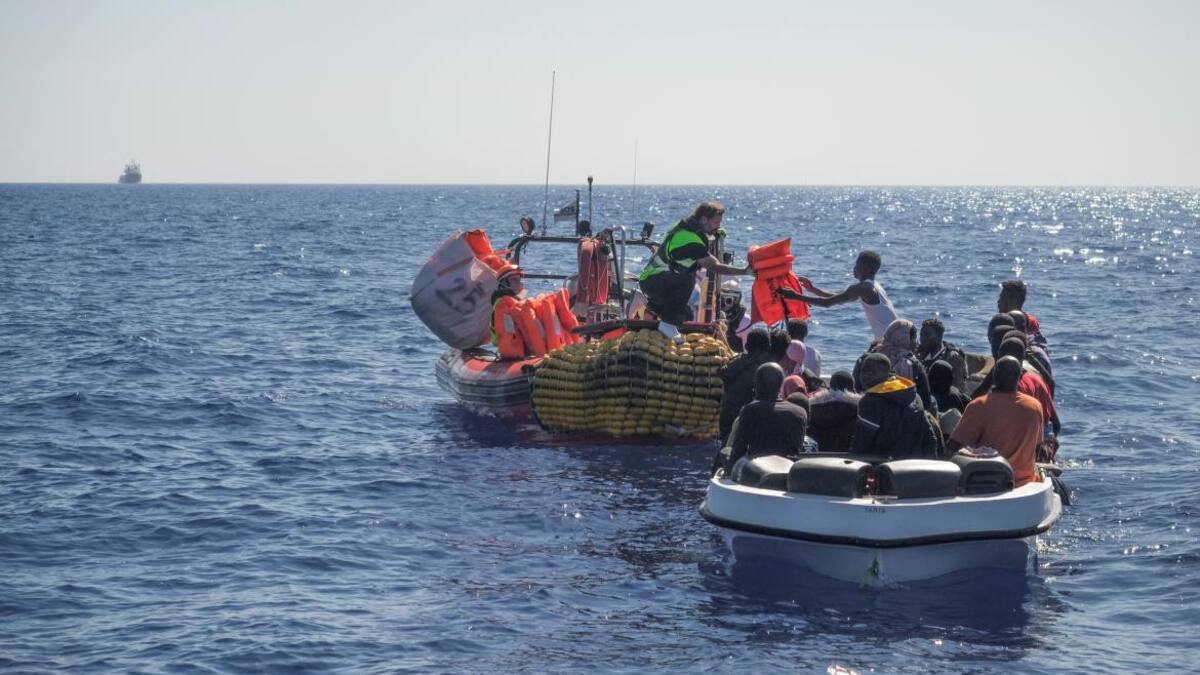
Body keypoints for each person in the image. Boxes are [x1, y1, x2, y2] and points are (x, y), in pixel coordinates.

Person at [638, 201, 751, 341]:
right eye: (716, 222)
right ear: (703, 219)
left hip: (653, 279)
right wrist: (745, 271)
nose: (719, 226)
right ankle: (667, 324)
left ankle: (658, 315)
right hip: (653, 281)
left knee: (686, 314)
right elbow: (714, 266)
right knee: (687, 278)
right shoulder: (690, 241)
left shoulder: (686, 228)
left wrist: (713, 234)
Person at [948, 356, 1043, 487]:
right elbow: (1036, 448)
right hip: (1025, 483)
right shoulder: (1035, 406)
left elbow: (953, 446)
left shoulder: (979, 405)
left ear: (994, 376)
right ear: (1019, 378)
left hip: (987, 485)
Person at [778, 250, 898, 340]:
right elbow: (837, 298)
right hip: (895, 335)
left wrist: (795, 296)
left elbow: (827, 303)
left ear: (865, 268)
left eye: (857, 265)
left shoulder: (864, 288)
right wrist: (812, 289)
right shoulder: (872, 286)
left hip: (892, 340)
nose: (854, 268)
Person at [722, 363, 809, 472]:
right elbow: (797, 449)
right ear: (780, 385)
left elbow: (739, 449)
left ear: (757, 385)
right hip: (787, 473)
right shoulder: (800, 412)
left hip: (756, 472)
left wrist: (728, 471)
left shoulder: (750, 410)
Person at [851, 353, 939, 458]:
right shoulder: (914, 396)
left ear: (886, 373)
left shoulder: (870, 402)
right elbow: (930, 439)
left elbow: (861, 444)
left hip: (882, 468)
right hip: (912, 466)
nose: (865, 376)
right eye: (863, 371)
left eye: (871, 372)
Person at [718, 327, 771, 444]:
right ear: (767, 349)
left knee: (725, 444)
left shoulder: (735, 361)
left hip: (726, 415)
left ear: (746, 346)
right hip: (745, 418)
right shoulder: (762, 370)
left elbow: (722, 372)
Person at [807, 370, 861, 452]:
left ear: (829, 388)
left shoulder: (811, 408)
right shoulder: (861, 409)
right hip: (850, 460)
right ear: (853, 390)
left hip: (816, 458)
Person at [917, 317, 968, 392]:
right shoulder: (922, 354)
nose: (922, 338)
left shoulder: (953, 358)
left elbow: (959, 388)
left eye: (927, 335)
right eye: (921, 335)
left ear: (939, 337)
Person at [998, 279, 1049, 352]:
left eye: (1002, 298)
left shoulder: (1030, 321)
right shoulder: (1001, 320)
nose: (998, 301)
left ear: (1012, 301)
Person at [719, 279, 752, 352]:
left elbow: (747, 351)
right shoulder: (713, 315)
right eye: (723, 298)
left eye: (730, 299)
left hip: (736, 359)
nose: (726, 302)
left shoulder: (745, 320)